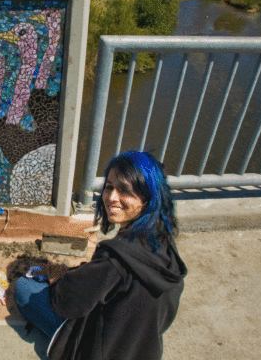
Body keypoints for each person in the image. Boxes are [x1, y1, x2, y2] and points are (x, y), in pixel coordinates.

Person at [14, 150, 188, 359]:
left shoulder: (114, 259)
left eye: (124, 190)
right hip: (139, 349)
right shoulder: (165, 240)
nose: (111, 197)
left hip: (97, 350)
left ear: (148, 196)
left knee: (25, 287)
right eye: (109, 187)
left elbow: (65, 303)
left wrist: (57, 275)